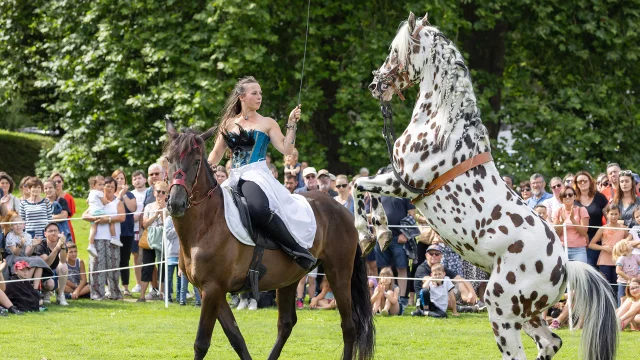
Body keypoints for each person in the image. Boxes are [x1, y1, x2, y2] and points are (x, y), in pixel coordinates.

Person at [206, 76, 316, 270]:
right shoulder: (228, 123)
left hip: (256, 174)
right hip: (233, 175)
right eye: (254, 93)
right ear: (241, 97)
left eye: (260, 93)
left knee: (258, 208)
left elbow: (287, 149)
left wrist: (291, 123)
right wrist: (205, 171)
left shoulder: (267, 123)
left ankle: (295, 249)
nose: (259, 97)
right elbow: (216, 154)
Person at [82, 177, 125, 301]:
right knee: (96, 267)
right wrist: (96, 219)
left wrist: (108, 219)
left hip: (113, 239)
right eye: (107, 186)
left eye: (112, 186)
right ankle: (97, 294)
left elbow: (122, 218)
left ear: (115, 189)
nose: (109, 188)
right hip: (98, 238)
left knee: (113, 266)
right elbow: (84, 215)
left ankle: (115, 293)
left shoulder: (118, 202)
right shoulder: (97, 202)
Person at [373, 194, 415, 307]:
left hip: (399, 238)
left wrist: (405, 234)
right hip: (382, 237)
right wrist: (376, 232)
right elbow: (375, 213)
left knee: (402, 268)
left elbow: (412, 215)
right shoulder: (380, 193)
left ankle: (401, 300)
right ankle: (383, 297)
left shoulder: (404, 193)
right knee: (383, 269)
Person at [413, 245, 478, 315]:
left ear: (441, 256)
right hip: (426, 300)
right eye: (431, 253)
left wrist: (472, 292)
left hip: (440, 296)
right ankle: (462, 308)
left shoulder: (441, 269)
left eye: (437, 254)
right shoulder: (421, 268)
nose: (434, 256)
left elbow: (461, 279)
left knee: (461, 284)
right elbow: (426, 280)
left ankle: (472, 302)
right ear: (426, 255)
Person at [588, 204, 627, 301]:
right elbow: (591, 244)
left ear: (619, 214)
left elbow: (627, 243)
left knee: (618, 286)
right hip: (604, 261)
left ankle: (617, 309)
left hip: (619, 261)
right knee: (606, 285)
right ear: (607, 214)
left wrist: (621, 249)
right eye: (611, 214)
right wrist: (603, 247)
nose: (613, 216)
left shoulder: (624, 228)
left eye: (615, 214)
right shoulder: (603, 228)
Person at [139, 181, 168, 302]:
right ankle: (142, 295)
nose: (160, 194)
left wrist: (162, 211)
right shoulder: (149, 206)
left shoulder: (169, 206)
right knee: (147, 266)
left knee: (162, 266)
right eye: (158, 191)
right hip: (150, 237)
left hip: (163, 238)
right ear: (154, 192)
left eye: (163, 192)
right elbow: (144, 224)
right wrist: (155, 214)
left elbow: (168, 224)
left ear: (167, 194)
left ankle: (161, 294)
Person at [574, 170, 609, 268]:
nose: (582, 183)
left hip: (597, 240)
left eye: (585, 180)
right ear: (576, 184)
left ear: (590, 181)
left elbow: (609, 218)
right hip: (579, 240)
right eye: (579, 181)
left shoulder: (600, 197)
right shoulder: (573, 199)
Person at [112, 169, 137, 296]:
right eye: (117, 179)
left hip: (127, 232)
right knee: (112, 260)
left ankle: (125, 287)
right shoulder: (110, 195)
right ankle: (112, 287)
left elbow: (133, 208)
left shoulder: (130, 195)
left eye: (122, 178)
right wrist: (119, 194)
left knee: (124, 260)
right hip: (113, 232)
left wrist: (124, 194)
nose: (120, 181)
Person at [34, 222, 69, 305]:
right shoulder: (41, 245)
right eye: (50, 231)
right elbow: (46, 264)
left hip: (56, 271)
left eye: (55, 231)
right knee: (50, 284)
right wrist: (56, 249)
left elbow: (63, 260)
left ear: (59, 233)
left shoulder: (61, 243)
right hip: (43, 272)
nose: (53, 233)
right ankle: (45, 292)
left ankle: (60, 295)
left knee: (63, 266)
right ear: (45, 234)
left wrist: (63, 246)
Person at [86, 175, 121, 258]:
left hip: (92, 212)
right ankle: (114, 237)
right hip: (99, 212)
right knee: (110, 220)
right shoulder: (99, 193)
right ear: (93, 185)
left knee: (93, 229)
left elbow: (87, 201)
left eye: (102, 184)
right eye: (100, 185)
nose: (102, 187)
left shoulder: (91, 192)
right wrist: (105, 202)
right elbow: (104, 202)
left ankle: (90, 245)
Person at [553, 186, 589, 263]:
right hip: (562, 248)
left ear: (575, 196)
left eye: (570, 194)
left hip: (579, 249)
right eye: (564, 195)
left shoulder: (582, 210)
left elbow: (584, 232)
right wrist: (562, 222)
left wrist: (573, 220)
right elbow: (555, 234)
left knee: (580, 275)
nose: (567, 197)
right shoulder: (558, 212)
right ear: (561, 198)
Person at [130, 170, 147, 293]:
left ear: (144, 179)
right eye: (135, 179)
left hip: (146, 229)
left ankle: (152, 284)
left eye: (139, 178)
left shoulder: (150, 192)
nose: (137, 180)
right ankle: (138, 283)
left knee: (148, 257)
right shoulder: (130, 194)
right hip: (133, 229)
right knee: (135, 256)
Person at [49, 172, 77, 243]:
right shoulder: (48, 199)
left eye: (59, 181)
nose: (57, 183)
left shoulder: (68, 197)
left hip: (66, 227)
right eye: (55, 182)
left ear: (62, 182)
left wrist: (49, 218)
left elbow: (68, 214)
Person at [164, 214, 180, 302]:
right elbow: (168, 234)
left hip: (180, 254)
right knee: (169, 277)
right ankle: (167, 297)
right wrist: (177, 227)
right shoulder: (168, 220)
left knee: (180, 278)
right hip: (171, 253)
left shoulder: (182, 218)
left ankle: (179, 297)